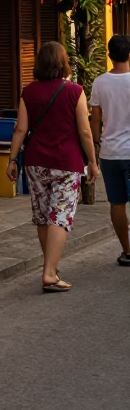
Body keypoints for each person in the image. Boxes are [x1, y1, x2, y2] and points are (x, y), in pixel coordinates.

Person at [7, 41, 99, 292]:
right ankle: (49, 272)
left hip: (36, 162)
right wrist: (92, 161)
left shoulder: (29, 92)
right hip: (67, 163)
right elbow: (84, 130)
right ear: (63, 63)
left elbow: (21, 129)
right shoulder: (75, 91)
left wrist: (12, 159)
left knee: (42, 215)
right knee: (59, 216)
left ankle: (51, 268)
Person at [89, 34, 130, 265]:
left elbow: (96, 119)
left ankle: (127, 250)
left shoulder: (100, 82)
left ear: (109, 56)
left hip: (110, 152)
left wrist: (96, 144)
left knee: (117, 203)